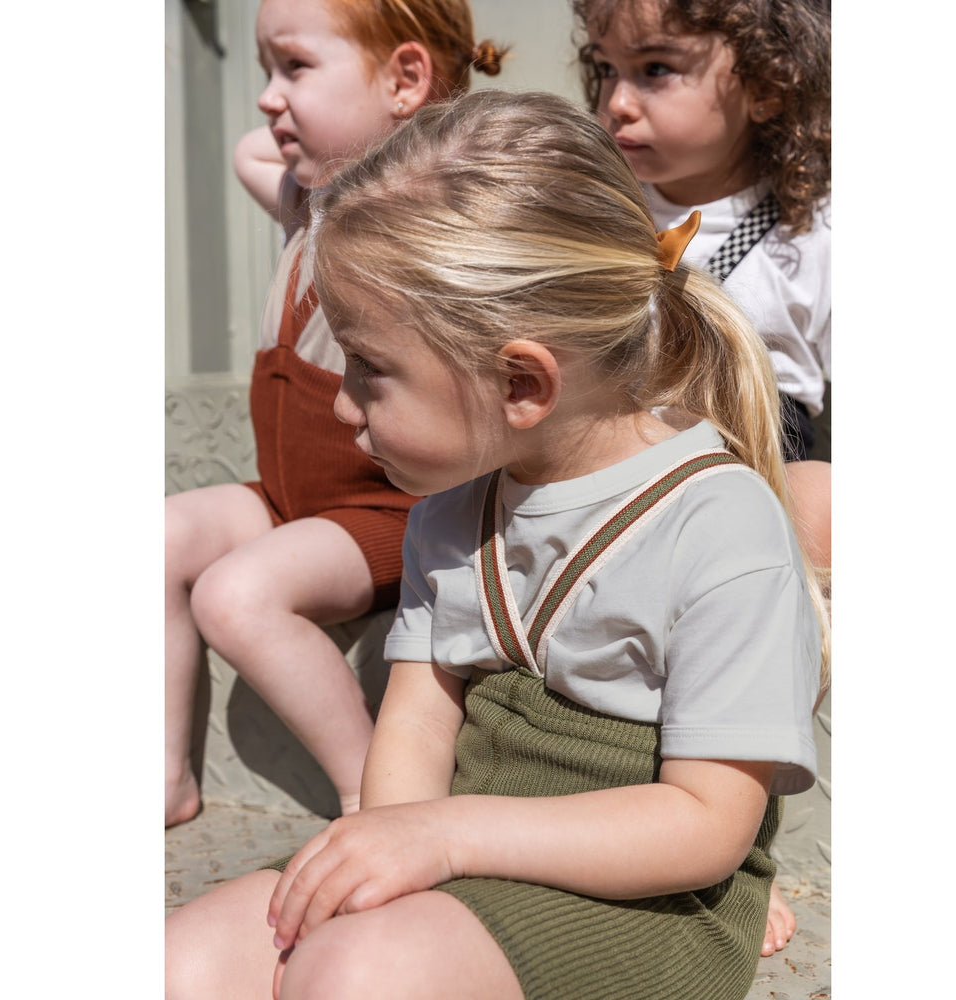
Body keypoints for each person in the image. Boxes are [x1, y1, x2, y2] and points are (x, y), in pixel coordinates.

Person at [165, 88, 829, 1000]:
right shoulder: (449, 512)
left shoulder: (718, 523)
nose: (342, 403)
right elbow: (416, 723)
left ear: (522, 383)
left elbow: (705, 823)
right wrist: (390, 846)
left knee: (357, 974)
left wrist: (442, 838)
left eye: (369, 367)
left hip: (648, 901)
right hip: (467, 856)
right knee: (186, 959)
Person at [164, 0, 505, 828]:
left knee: (235, 597)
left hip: (385, 511)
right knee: (156, 537)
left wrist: (415, 136)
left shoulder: (418, 218)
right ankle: (164, 773)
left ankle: (370, 793)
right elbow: (253, 151)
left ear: (406, 79)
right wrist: (316, 122)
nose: (266, 98)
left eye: (295, 66)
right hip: (290, 498)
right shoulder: (303, 200)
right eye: (264, 69)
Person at [572, 0, 832, 952]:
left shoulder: (811, 236)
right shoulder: (597, 213)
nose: (617, 102)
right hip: (621, 471)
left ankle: (739, 838)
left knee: (818, 509)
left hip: (758, 470)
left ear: (764, 84)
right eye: (605, 70)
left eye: (655, 69)